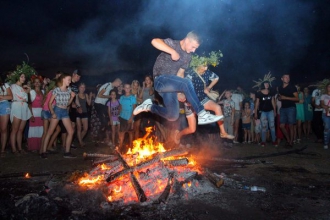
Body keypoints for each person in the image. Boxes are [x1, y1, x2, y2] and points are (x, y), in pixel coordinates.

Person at [133, 31, 223, 125]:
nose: (194, 50)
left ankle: (149, 106)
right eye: (193, 47)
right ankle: (202, 113)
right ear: (187, 40)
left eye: (196, 48)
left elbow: (180, 73)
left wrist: (180, 92)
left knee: (172, 115)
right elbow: (154, 41)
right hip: (160, 80)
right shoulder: (173, 44)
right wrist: (172, 51)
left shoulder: (188, 57)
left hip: (170, 87)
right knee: (187, 82)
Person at [41, 73, 76, 158]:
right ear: (63, 79)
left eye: (70, 80)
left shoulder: (68, 90)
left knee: (71, 131)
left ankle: (67, 152)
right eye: (69, 79)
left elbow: (67, 104)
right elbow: (49, 103)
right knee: (50, 131)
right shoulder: (57, 90)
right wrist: (52, 113)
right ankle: (44, 152)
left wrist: (72, 97)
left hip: (64, 112)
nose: (70, 81)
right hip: (57, 110)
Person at [278, 74, 299, 148]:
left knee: (291, 125)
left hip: (291, 108)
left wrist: (285, 97)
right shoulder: (280, 88)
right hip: (283, 108)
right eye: (285, 77)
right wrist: (280, 98)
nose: (287, 78)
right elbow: (280, 97)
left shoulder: (292, 87)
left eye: (288, 77)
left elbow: (297, 98)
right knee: (282, 126)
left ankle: (290, 142)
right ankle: (288, 139)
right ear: (282, 78)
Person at [254, 81, 277, 147]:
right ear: (263, 85)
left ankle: (274, 140)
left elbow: (273, 101)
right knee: (263, 127)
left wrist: (275, 111)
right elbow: (257, 103)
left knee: (272, 126)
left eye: (267, 84)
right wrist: (256, 113)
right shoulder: (259, 93)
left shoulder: (271, 92)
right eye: (265, 84)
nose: (267, 85)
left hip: (270, 111)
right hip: (263, 112)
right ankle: (263, 141)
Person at [27, 75, 44, 152]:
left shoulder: (43, 92)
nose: (37, 83)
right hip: (34, 112)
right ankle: (33, 147)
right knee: (33, 130)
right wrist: (31, 115)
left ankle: (40, 146)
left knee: (41, 129)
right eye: (35, 82)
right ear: (33, 84)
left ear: (40, 83)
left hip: (41, 113)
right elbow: (29, 104)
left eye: (38, 82)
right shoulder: (31, 92)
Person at [118, 83, 137, 152]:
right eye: (126, 87)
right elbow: (120, 106)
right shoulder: (122, 97)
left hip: (129, 117)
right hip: (122, 117)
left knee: (130, 132)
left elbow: (134, 109)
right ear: (124, 89)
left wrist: (131, 118)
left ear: (130, 88)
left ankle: (131, 147)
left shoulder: (132, 98)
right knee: (122, 132)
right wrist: (118, 115)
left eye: (128, 87)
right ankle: (120, 147)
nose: (127, 89)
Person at [76, 83, 91, 147]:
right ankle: (81, 142)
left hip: (85, 112)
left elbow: (89, 104)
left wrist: (90, 96)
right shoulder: (76, 95)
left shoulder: (86, 95)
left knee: (85, 129)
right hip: (78, 112)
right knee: (79, 128)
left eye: (84, 87)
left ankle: (79, 140)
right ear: (79, 88)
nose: (82, 89)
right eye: (81, 87)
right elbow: (76, 103)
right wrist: (78, 107)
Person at [0, 78, 12, 157]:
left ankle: (3, 149)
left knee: (3, 129)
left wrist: (1, 96)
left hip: (4, 105)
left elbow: (10, 96)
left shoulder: (5, 85)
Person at [320, 83, 330, 150]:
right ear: (327, 88)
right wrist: (326, 107)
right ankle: (326, 143)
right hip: (326, 113)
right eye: (329, 87)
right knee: (327, 128)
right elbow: (322, 104)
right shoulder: (323, 96)